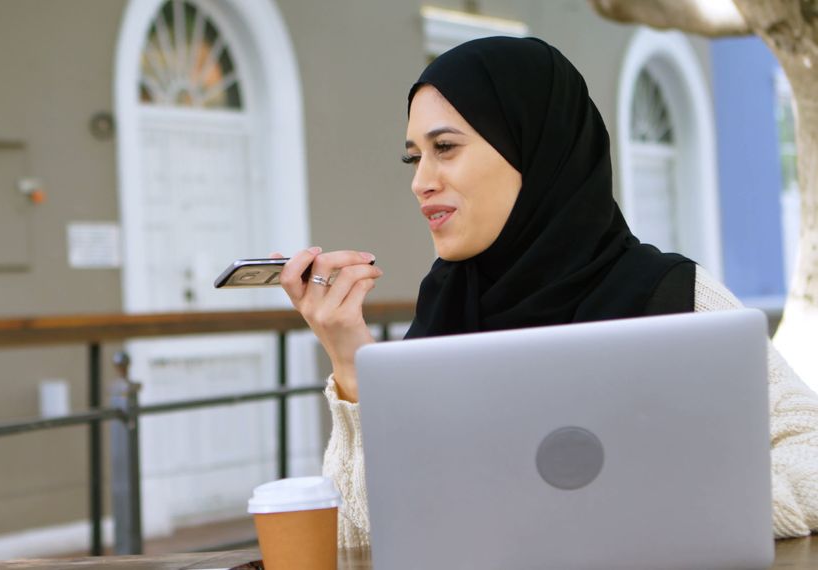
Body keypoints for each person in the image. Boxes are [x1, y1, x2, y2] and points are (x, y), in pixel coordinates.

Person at [272, 37, 818, 548]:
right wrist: (350, 361)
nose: (421, 180)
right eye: (415, 157)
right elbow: (357, 540)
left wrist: (665, 521)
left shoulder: (671, 297)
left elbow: (809, 454)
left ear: (533, 149)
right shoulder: (442, 315)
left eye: (445, 147)